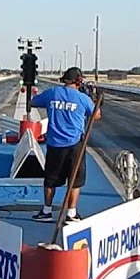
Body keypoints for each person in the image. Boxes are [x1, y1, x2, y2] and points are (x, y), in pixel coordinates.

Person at [31, 67, 100, 223]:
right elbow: (96, 115)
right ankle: (71, 214)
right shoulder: (82, 98)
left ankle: (46, 211)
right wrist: (92, 100)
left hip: (54, 144)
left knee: (50, 179)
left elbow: (33, 102)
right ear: (79, 81)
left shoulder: (52, 93)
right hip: (75, 144)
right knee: (75, 179)